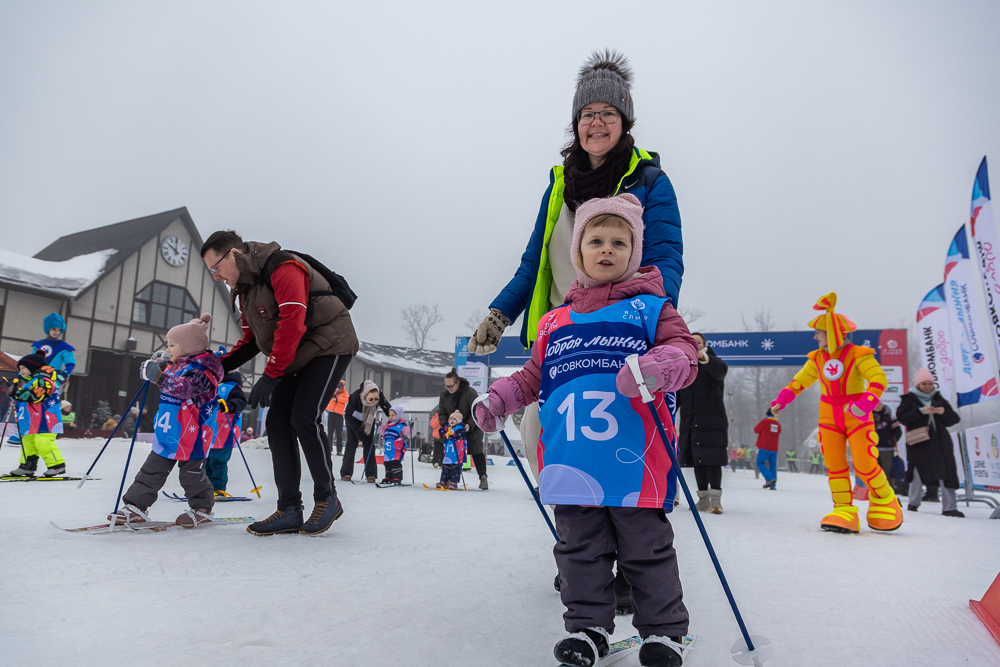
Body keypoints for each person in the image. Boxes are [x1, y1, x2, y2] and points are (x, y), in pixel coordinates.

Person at [473, 194, 698, 667]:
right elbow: (533, 377)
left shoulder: (652, 309)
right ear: (577, 253)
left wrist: (659, 366)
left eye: (620, 242)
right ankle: (589, 629)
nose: (607, 250)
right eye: (595, 240)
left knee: (647, 550)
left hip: (635, 462)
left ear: (634, 253)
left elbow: (684, 354)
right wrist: (499, 400)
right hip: (574, 463)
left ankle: (663, 632)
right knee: (579, 552)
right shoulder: (555, 321)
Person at [468, 50, 684, 489]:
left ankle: (634, 536)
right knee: (539, 438)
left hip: (622, 337)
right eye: (587, 114)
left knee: (625, 450)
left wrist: (655, 325)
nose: (597, 123)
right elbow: (534, 262)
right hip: (561, 334)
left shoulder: (648, 180)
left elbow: (666, 260)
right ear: (576, 123)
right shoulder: (559, 186)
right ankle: (578, 539)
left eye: (608, 112)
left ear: (624, 121)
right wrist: (499, 314)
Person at [201, 230, 358, 537]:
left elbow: (292, 323)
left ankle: (327, 498)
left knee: (304, 417)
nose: (216, 276)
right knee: (277, 422)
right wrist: (216, 366)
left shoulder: (283, 267)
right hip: (299, 353)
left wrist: (271, 375)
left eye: (215, 267)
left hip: (331, 343)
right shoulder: (245, 290)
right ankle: (289, 507)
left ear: (232, 255)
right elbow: (252, 339)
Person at [770, 293, 903, 533]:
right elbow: (799, 382)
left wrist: (865, 403)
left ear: (830, 332)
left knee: (864, 464)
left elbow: (878, 379)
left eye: (818, 332)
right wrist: (782, 400)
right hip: (828, 417)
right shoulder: (818, 359)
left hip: (856, 416)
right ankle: (844, 510)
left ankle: (885, 499)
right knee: (834, 465)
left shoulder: (859, 354)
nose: (815, 337)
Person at [108, 314, 222, 528]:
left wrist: (159, 377)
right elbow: (171, 375)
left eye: (172, 345)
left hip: (193, 434)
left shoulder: (203, 373)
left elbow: (185, 388)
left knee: (191, 475)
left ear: (189, 347)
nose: (168, 349)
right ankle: (136, 506)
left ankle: (202, 508)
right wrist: (160, 364)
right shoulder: (178, 365)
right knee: (152, 469)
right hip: (169, 432)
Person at [896, 368, 963, 517]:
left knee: (947, 472)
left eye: (930, 383)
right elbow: (903, 418)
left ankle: (950, 507)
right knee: (917, 472)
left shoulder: (939, 398)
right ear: (918, 384)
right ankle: (913, 503)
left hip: (940, 442)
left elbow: (954, 420)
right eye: (924, 383)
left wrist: (943, 412)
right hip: (920, 442)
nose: (927, 386)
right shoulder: (908, 399)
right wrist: (921, 411)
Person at [677, 332, 729, 514]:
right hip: (691, 423)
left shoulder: (713, 363)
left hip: (712, 423)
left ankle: (716, 501)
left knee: (713, 461)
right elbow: (677, 396)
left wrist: (703, 357)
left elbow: (721, 371)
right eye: (691, 342)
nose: (695, 345)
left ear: (704, 345)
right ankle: (703, 499)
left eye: (698, 342)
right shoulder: (684, 366)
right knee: (698, 461)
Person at [7, 353, 66, 477]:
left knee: (42, 442)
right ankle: (27, 466)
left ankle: (56, 465)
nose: (21, 370)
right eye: (20, 368)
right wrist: (15, 394)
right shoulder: (30, 382)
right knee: (28, 443)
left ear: (33, 367)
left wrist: (17, 393)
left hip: (46, 420)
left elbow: (37, 396)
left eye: (24, 367)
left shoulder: (43, 380)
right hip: (31, 421)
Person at [437, 369, 489, 490]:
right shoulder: (444, 395)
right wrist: (445, 426)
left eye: (451, 386)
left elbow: (477, 410)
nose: (448, 388)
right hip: (453, 431)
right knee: (452, 454)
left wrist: (469, 424)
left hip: (472, 429)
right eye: (446, 386)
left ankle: (483, 477)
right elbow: (442, 413)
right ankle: (449, 478)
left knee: (476, 452)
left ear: (458, 383)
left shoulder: (470, 392)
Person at [206, 371, 247, 497]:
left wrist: (229, 405)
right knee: (207, 462)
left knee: (217, 462)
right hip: (211, 432)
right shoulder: (215, 387)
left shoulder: (231, 388)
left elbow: (240, 402)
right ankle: (207, 489)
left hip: (224, 433)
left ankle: (218, 489)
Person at [341, 380, 391, 483]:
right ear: (365, 395)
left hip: (369, 419)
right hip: (353, 420)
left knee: (369, 444)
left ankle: (371, 474)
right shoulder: (355, 397)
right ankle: (346, 472)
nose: (374, 401)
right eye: (371, 399)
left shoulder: (379, 396)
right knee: (352, 443)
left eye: (376, 399)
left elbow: (389, 409)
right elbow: (348, 415)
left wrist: (395, 417)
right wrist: (358, 432)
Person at [379, 405, 410, 485]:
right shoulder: (388, 425)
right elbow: (383, 433)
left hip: (397, 449)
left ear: (398, 415)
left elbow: (407, 433)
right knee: (387, 463)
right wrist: (379, 426)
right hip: (388, 449)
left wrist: (411, 426)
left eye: (393, 415)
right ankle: (388, 476)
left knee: (395, 463)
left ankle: (397, 477)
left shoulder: (401, 425)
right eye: (390, 415)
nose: (391, 417)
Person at [436, 411, 467, 490]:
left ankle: (454, 481)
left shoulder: (460, 428)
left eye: (454, 419)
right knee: (445, 467)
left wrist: (455, 433)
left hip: (457, 452)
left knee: (455, 468)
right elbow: (441, 431)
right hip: (448, 452)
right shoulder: (446, 427)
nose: (452, 421)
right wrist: (445, 434)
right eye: (450, 419)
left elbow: (462, 434)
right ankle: (443, 481)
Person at [871, 401, 901, 480]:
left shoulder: (890, 416)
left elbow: (898, 431)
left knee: (887, 473)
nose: (877, 406)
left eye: (879, 404)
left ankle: (888, 490)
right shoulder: (867, 416)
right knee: (873, 473)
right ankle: (874, 491)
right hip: (871, 449)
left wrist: (892, 440)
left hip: (887, 449)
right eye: (875, 404)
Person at [753, 409, 782, 490]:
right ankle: (773, 485)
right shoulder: (778, 424)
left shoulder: (764, 422)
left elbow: (756, 430)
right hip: (774, 448)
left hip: (764, 447)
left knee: (759, 462)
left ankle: (769, 478)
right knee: (773, 465)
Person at [326, 380, 349, 456]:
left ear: (341, 388)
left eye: (338, 388)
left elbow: (347, 399)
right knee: (330, 433)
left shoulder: (345, 394)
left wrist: (338, 400)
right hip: (331, 413)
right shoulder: (332, 393)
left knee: (339, 433)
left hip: (339, 415)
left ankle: (339, 450)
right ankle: (329, 449)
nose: (336, 390)